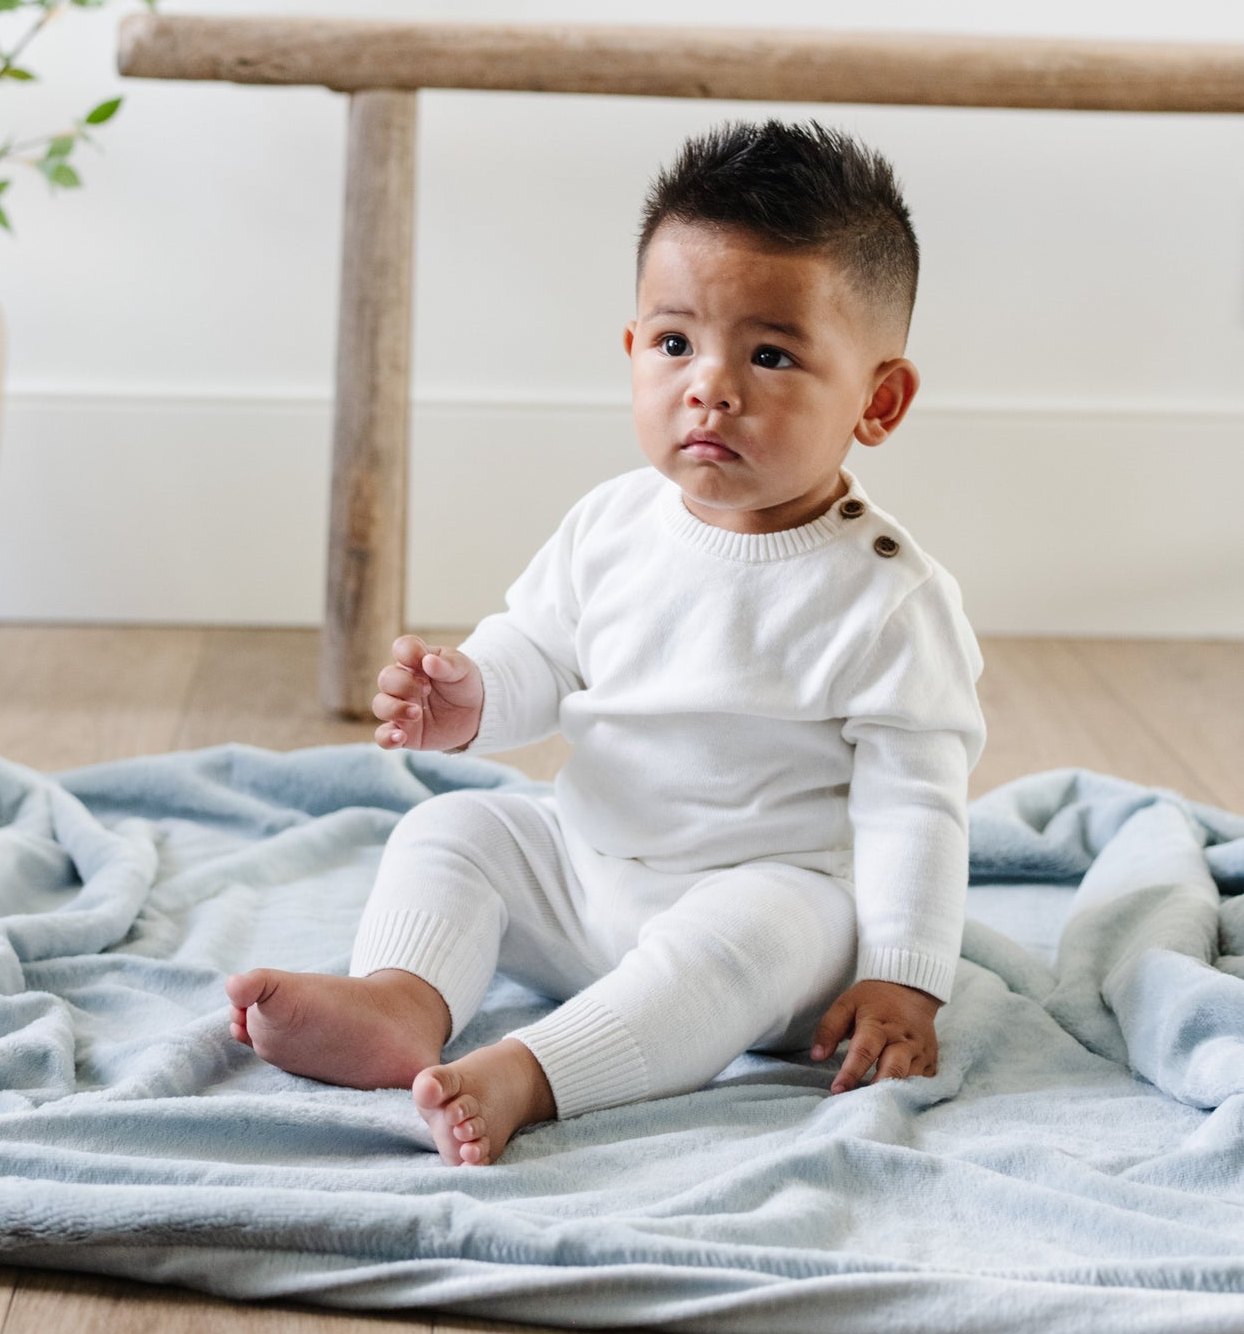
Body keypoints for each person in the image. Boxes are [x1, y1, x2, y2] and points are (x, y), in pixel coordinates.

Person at [227, 119, 985, 1166]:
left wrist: (901, 971)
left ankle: (531, 1073)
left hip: (769, 925)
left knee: (755, 928)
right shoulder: (612, 523)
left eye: (769, 354)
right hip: (588, 877)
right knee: (455, 833)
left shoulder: (886, 599)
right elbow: (541, 648)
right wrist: (475, 695)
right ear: (633, 351)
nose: (708, 384)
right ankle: (402, 998)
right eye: (675, 343)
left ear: (878, 400)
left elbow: (913, 804)